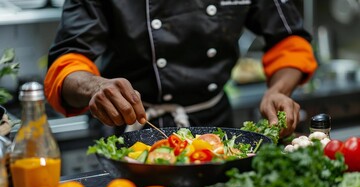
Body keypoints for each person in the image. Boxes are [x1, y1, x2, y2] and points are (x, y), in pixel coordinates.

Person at [44, 0, 317, 137]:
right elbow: (67, 61)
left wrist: (278, 91)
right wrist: (97, 86)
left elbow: (289, 41)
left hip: (215, 129)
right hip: (129, 125)